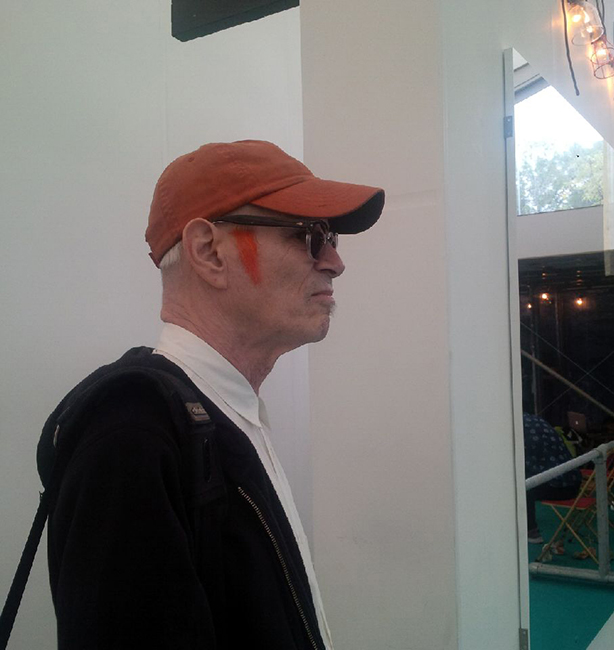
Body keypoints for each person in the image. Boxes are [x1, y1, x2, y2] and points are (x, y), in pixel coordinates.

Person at [38, 140, 385, 649]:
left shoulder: (224, 414)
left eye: (329, 237)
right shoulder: (132, 435)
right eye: (308, 235)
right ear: (208, 252)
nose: (334, 261)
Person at [523, 413, 581, 544]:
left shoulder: (522, 432)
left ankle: (531, 531)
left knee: (524, 488)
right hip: (575, 482)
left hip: (559, 487)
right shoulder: (537, 422)